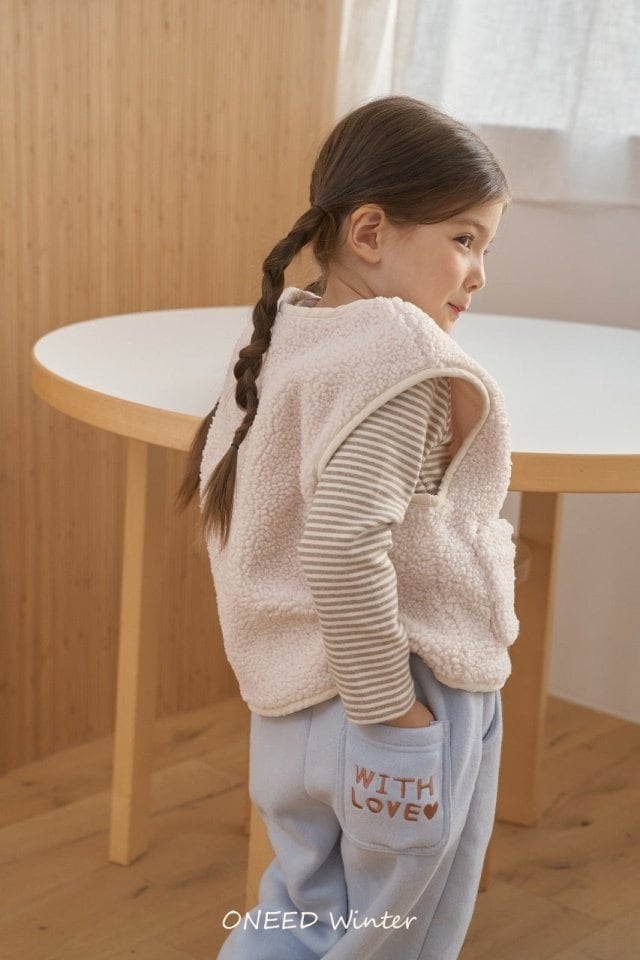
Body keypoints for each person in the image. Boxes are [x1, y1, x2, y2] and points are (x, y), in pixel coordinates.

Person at [179, 95, 519, 960]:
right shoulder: (400, 358)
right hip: (395, 688)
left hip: (292, 704)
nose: (479, 273)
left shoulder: (291, 335)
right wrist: (393, 714)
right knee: (397, 937)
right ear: (370, 233)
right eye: (465, 239)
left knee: (300, 914)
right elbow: (341, 543)